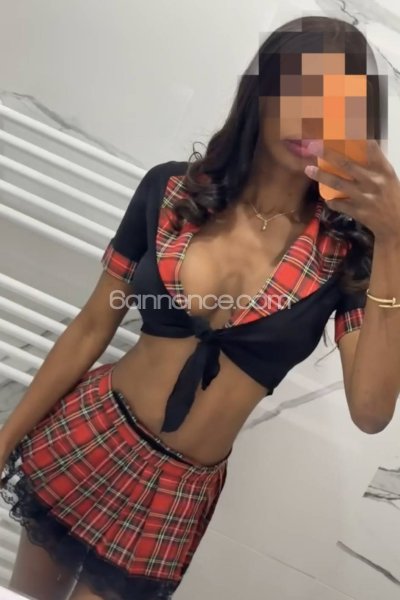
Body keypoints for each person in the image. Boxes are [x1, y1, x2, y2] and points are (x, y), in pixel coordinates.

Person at [1, 13, 400, 600]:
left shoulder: (347, 255)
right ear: (262, 92)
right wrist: (3, 440)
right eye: (298, 90)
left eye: (335, 104)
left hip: (176, 495)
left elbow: (370, 411)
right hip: (90, 433)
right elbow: (90, 327)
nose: (311, 118)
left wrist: (393, 237)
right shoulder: (172, 191)